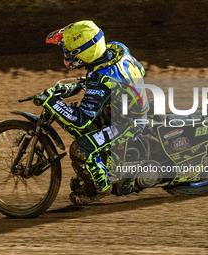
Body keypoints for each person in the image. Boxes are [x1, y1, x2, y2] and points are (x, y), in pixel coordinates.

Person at [34, 20, 149, 204]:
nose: (66, 54)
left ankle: (99, 188)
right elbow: (140, 68)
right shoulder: (116, 48)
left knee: (80, 149)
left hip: (127, 123)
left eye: (70, 51)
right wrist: (87, 84)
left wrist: (52, 102)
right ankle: (109, 162)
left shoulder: (101, 78)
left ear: (84, 52)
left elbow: (81, 120)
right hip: (126, 108)